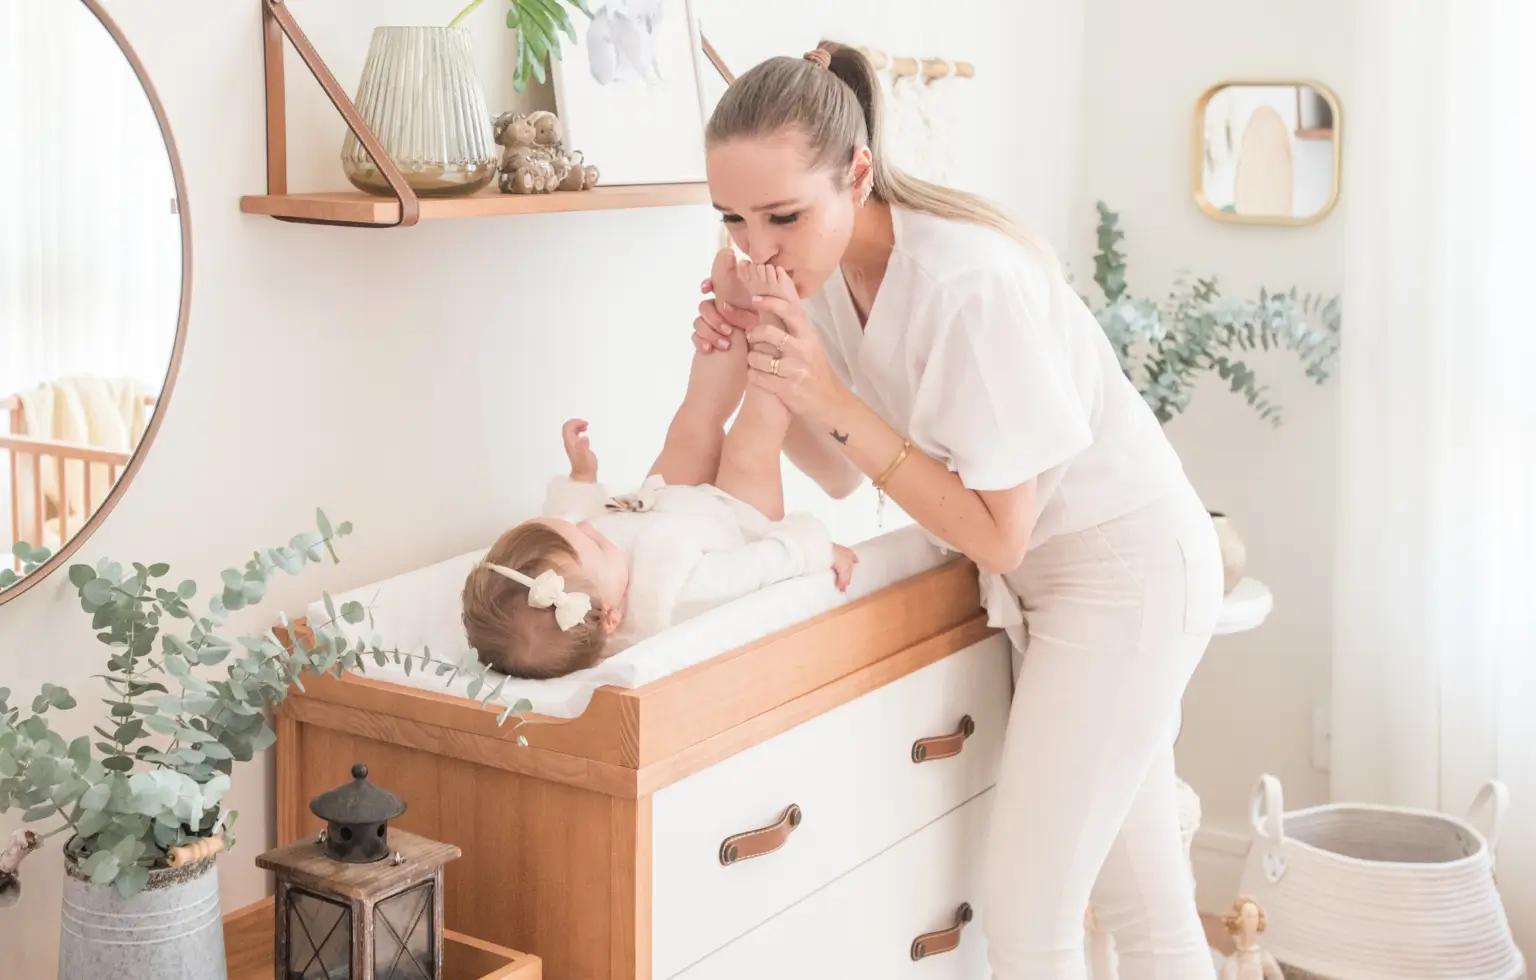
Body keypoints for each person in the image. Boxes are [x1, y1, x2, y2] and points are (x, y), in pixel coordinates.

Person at [690, 41, 1224, 980]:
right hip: (1064, 582)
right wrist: (757, 358)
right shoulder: (825, 280)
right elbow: (842, 471)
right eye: (733, 219)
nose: (756, 248)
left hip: (1123, 573)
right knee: (1147, 907)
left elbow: (996, 531)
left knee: (1028, 918)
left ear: (857, 175)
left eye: (782, 215)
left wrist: (830, 398)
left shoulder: (968, 284)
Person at [461, 258, 856, 680]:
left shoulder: (580, 564)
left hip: (661, 503)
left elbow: (569, 520)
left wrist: (581, 478)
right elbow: (762, 566)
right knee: (752, 442)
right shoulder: (672, 599)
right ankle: (777, 326)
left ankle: (732, 313)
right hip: (735, 523)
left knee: (692, 423)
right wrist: (815, 549)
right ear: (612, 617)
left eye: (579, 529)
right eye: (590, 541)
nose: (591, 527)